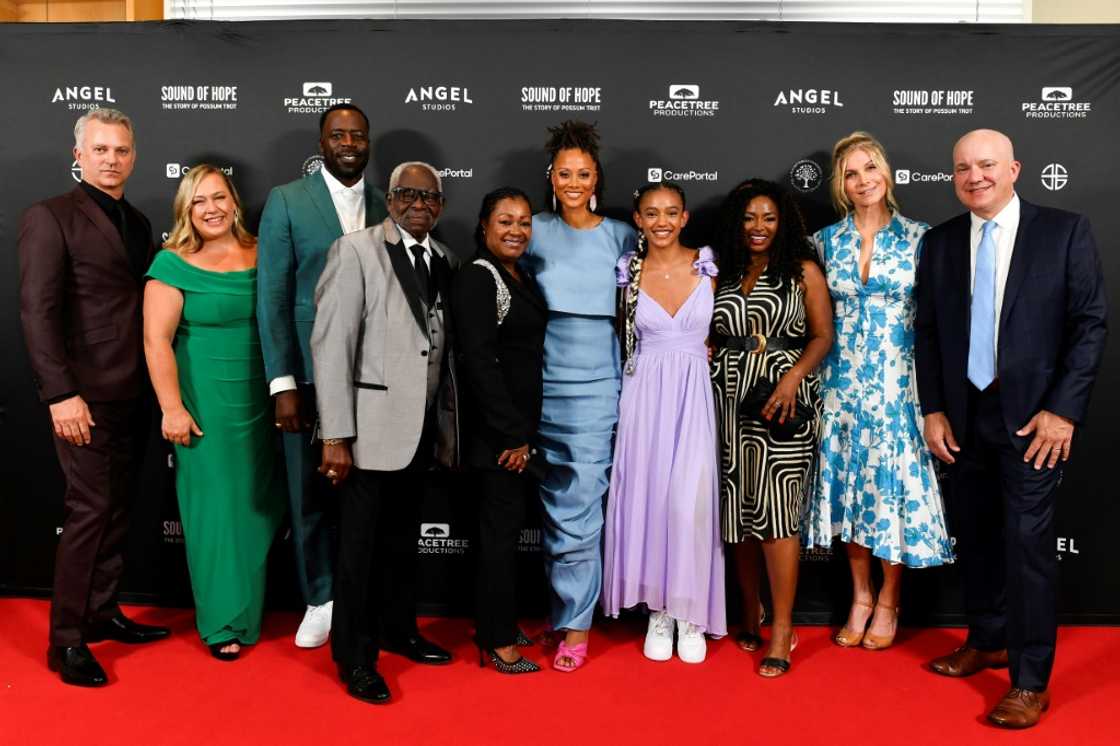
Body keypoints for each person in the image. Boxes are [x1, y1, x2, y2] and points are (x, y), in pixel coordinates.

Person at [915, 129, 1107, 728]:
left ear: (1015, 168)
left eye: (987, 165)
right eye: (963, 168)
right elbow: (927, 331)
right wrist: (934, 408)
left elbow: (1090, 323)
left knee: (1026, 548)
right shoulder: (942, 241)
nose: (975, 177)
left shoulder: (1064, 230)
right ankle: (988, 639)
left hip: (1033, 421)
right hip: (964, 419)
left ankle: (1028, 680)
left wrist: (1064, 410)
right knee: (976, 537)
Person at [19, 108, 169, 687]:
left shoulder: (137, 220)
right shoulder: (49, 217)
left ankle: (101, 612)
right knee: (88, 512)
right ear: (78, 153)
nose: (112, 159)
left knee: (117, 510)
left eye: (122, 150)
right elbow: (38, 312)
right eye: (101, 149)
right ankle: (67, 640)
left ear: (134, 155)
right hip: (81, 397)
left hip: (134, 391)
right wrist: (61, 394)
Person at [313, 161, 459, 704]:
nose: (418, 203)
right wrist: (335, 434)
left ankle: (399, 629)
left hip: (420, 431)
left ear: (440, 206)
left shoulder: (445, 258)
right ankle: (355, 657)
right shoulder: (355, 251)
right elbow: (331, 346)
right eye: (406, 194)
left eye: (429, 196)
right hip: (366, 431)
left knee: (401, 543)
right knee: (358, 551)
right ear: (389, 198)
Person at [803, 132, 954, 651]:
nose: (863, 180)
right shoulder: (824, 242)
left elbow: (937, 322)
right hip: (840, 387)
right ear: (841, 185)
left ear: (886, 175)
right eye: (851, 173)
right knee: (849, 490)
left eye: (870, 169)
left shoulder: (920, 238)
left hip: (898, 387)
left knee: (889, 493)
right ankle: (860, 596)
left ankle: (890, 600)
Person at [257, 103, 389, 649]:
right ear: (322, 141)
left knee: (363, 495)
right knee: (308, 489)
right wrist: (283, 382)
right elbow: (273, 295)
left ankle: (358, 597)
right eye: (338, 134)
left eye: (358, 134)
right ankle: (319, 597)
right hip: (309, 376)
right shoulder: (288, 200)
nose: (349, 143)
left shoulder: (388, 203)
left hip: (373, 377)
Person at [143, 165, 285, 661]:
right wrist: (172, 408)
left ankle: (247, 611)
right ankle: (222, 621)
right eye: (200, 200)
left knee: (255, 509)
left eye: (219, 197)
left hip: (262, 405)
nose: (212, 208)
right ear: (186, 209)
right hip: (205, 409)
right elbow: (155, 341)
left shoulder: (262, 253)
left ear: (235, 203)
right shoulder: (171, 264)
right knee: (214, 516)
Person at [521, 120, 638, 672]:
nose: (573, 182)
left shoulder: (621, 236)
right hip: (542, 383)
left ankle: (577, 624)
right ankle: (564, 608)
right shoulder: (533, 230)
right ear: (552, 177)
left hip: (598, 384)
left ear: (597, 179)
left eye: (583, 174)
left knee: (582, 506)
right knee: (552, 504)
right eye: (564, 173)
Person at [710, 179, 832, 678]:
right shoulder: (723, 270)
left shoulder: (802, 271)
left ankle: (783, 629)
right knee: (736, 515)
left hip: (783, 403)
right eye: (749, 218)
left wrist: (790, 380)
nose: (758, 228)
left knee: (777, 516)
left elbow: (823, 336)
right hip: (726, 400)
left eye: (768, 218)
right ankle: (749, 611)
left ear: (783, 222)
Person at [601, 182, 726, 664]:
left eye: (671, 212)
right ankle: (660, 609)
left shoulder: (706, 265)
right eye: (651, 213)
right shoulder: (627, 273)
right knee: (651, 500)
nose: (661, 221)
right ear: (637, 219)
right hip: (645, 395)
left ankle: (690, 610)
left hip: (695, 393)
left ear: (685, 218)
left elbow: (726, 328)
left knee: (689, 503)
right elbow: (619, 335)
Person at [451, 187, 547, 675]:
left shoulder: (518, 273)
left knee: (502, 534)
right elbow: (478, 363)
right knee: (498, 537)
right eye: (505, 221)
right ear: (485, 225)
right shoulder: (477, 276)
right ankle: (496, 641)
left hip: (517, 432)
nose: (516, 230)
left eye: (525, 222)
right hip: (498, 438)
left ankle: (496, 621)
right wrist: (511, 436)